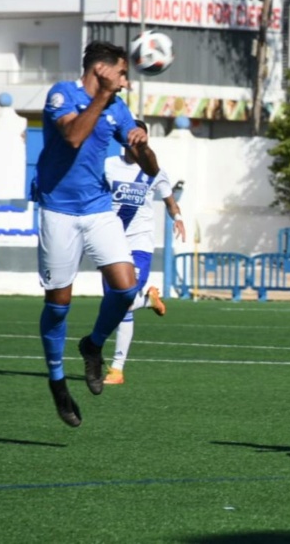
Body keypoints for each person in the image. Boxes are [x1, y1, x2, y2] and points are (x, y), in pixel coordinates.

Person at [33, 40, 160, 428]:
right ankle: (57, 382)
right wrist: (102, 97)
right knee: (59, 303)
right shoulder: (62, 94)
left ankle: (93, 344)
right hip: (58, 211)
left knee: (125, 287)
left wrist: (143, 146)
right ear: (101, 71)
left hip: (98, 208)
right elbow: (72, 137)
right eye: (122, 74)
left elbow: (151, 170)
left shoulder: (117, 106)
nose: (124, 82)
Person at [102, 120, 187, 386]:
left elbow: (170, 201)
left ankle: (117, 368)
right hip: (111, 243)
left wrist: (178, 217)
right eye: (135, 138)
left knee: (124, 300)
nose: (140, 143)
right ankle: (148, 302)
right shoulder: (107, 167)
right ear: (125, 140)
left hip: (139, 244)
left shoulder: (154, 171)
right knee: (116, 304)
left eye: (144, 139)